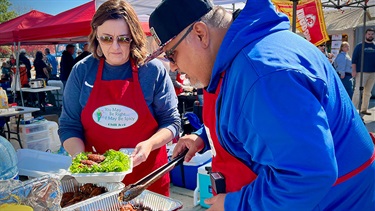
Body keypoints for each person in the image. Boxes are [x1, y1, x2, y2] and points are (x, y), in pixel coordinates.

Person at [148, 0, 375, 210]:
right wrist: (205, 137)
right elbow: (256, 122)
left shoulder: (262, 75)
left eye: (171, 54)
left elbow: (307, 175)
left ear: (200, 34)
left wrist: (234, 204)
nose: (173, 67)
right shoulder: (241, 53)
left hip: (337, 202)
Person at [58, 0, 180, 197]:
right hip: (98, 184)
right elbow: (69, 125)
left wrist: (149, 145)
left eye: (123, 39)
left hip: (147, 181)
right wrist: (81, 158)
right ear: (96, 37)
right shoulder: (82, 71)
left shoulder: (152, 71)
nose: (115, 47)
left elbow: (172, 122)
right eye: (106, 38)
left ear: (133, 37)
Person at [352, 28, 375, 115]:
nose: (370, 35)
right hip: (361, 72)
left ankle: (364, 109)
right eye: (369, 34)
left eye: (372, 34)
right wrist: (354, 71)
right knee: (357, 91)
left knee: (368, 92)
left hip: (372, 73)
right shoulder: (359, 46)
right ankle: (353, 109)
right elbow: (354, 60)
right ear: (365, 35)